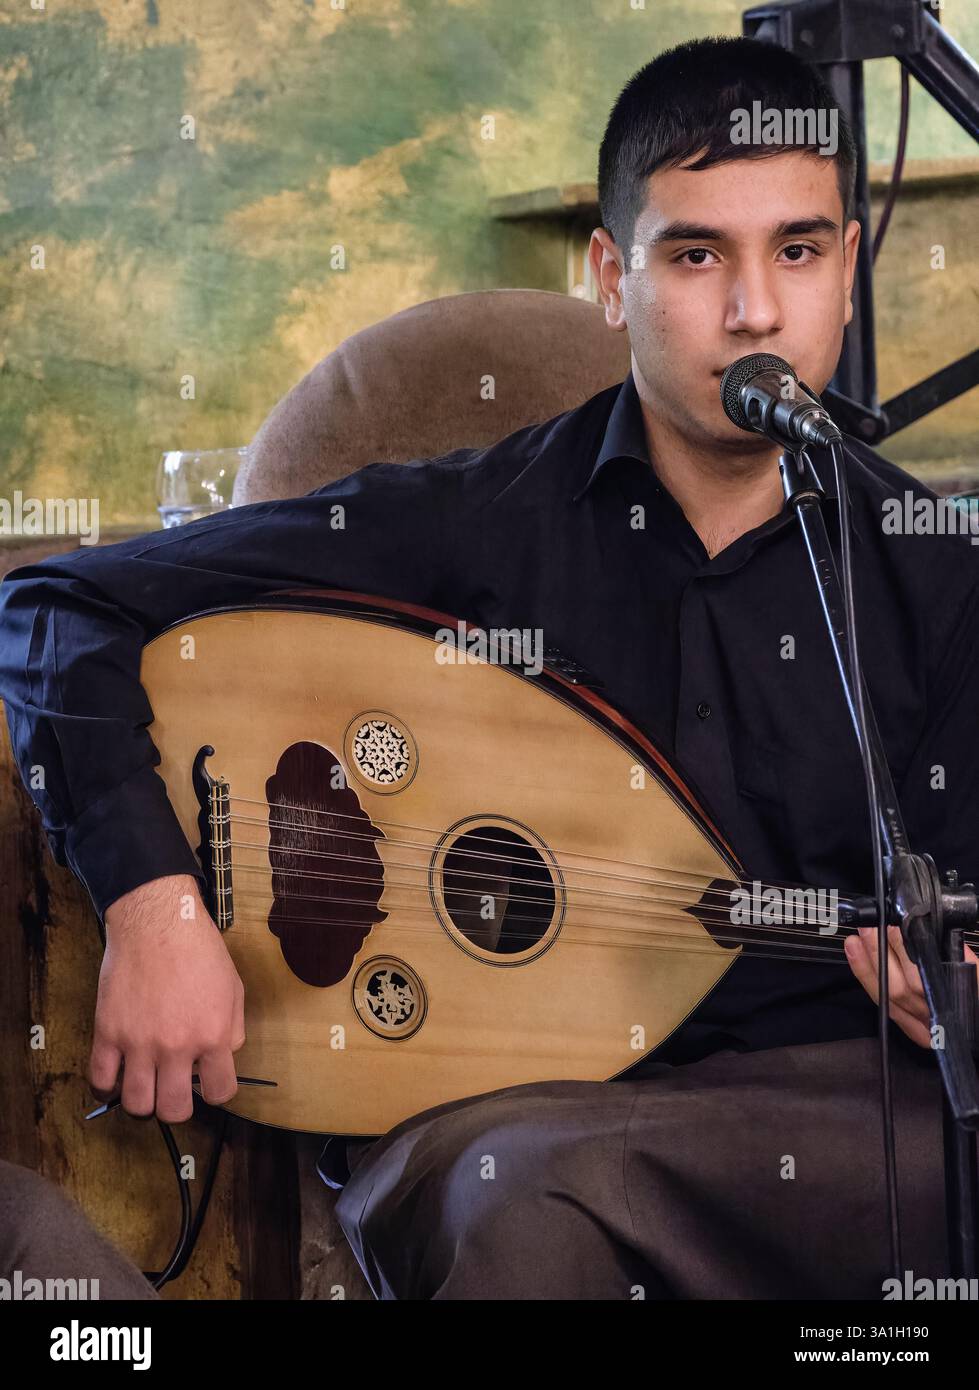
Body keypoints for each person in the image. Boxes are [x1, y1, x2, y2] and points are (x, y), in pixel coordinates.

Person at [1, 36, 977, 1300]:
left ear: (848, 270)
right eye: (696, 255)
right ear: (612, 279)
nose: (754, 311)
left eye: (796, 251)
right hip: (487, 1112)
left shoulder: (937, 576)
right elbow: (53, 603)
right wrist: (153, 899)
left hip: (832, 1122)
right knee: (521, 1196)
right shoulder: (470, 523)